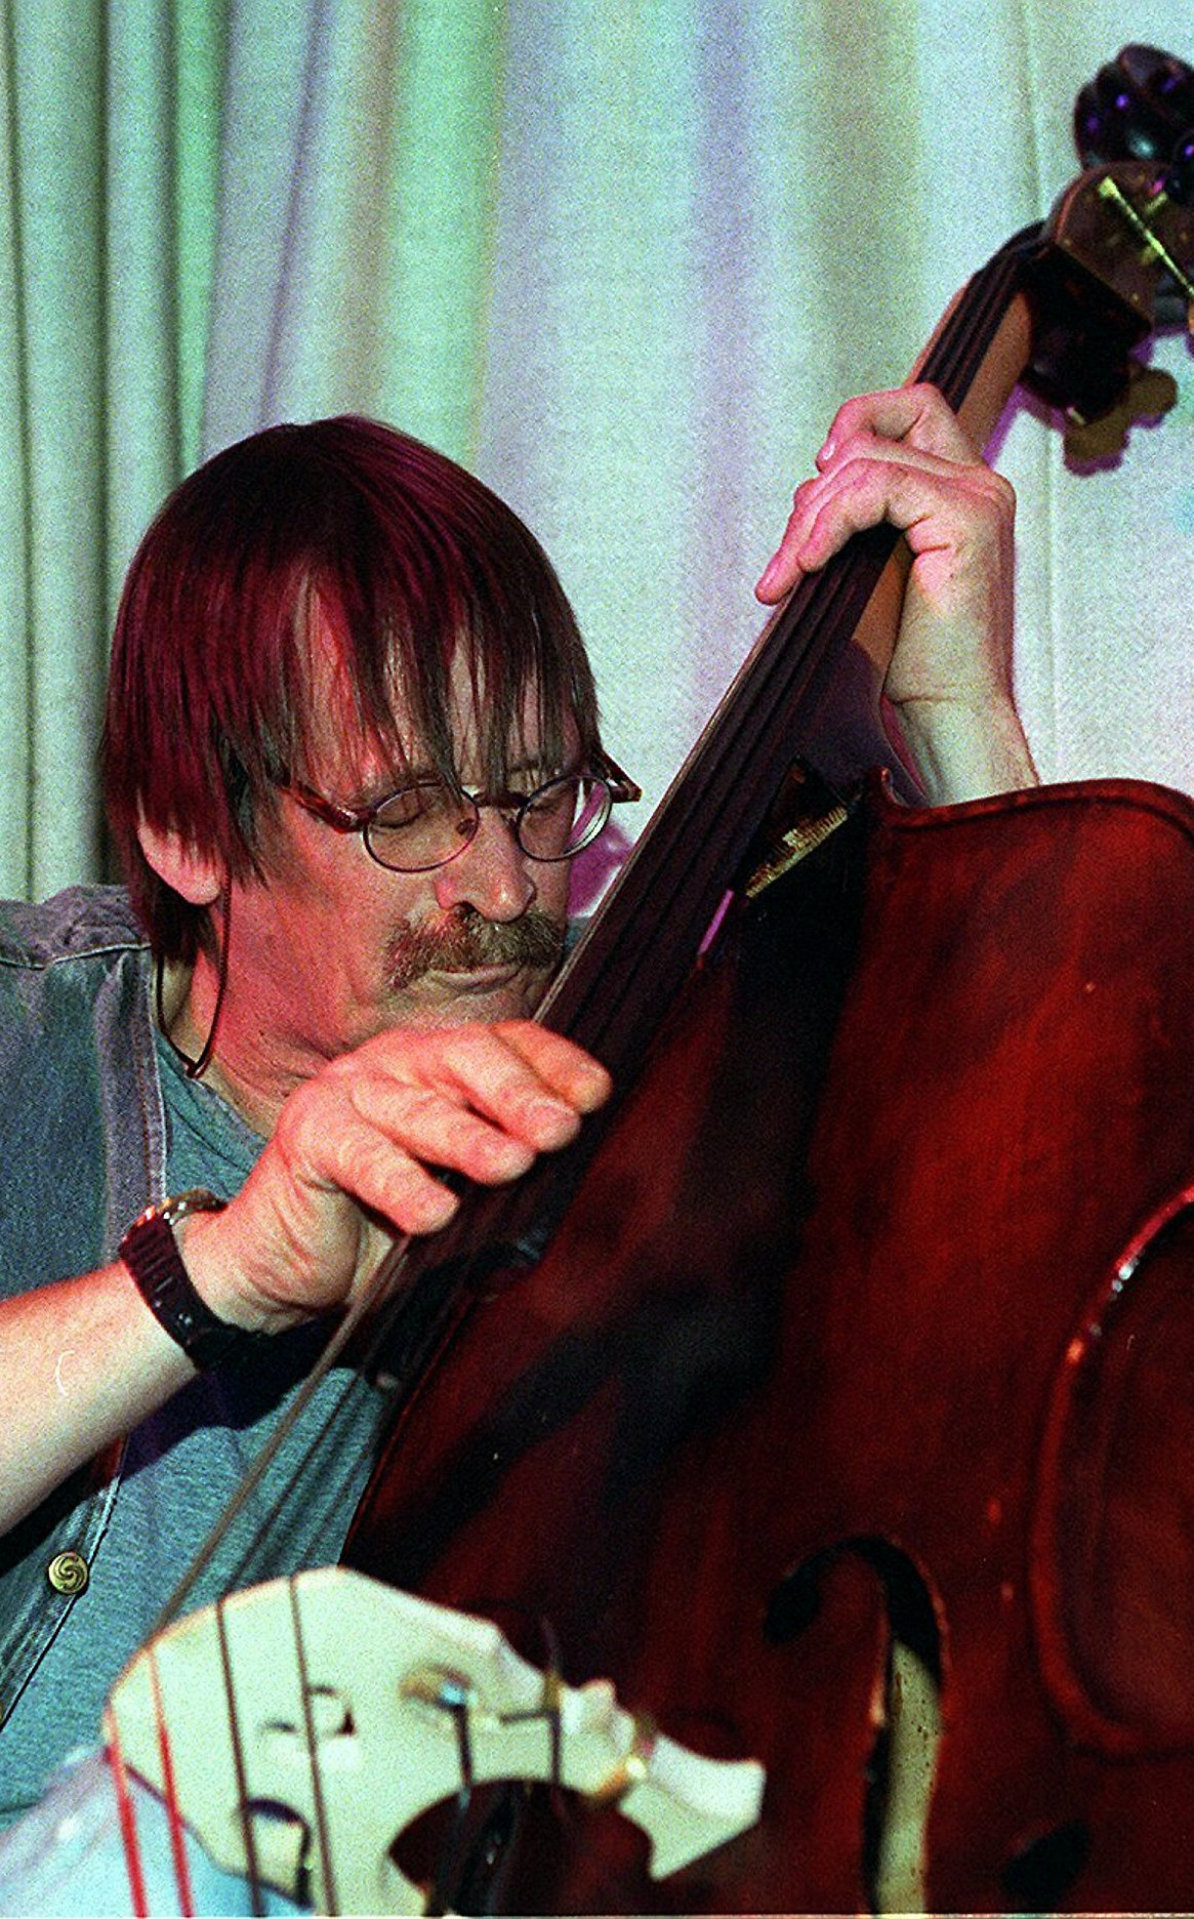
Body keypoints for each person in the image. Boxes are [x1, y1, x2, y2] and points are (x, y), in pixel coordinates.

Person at [0, 382, 1034, 1907]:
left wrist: (955, 715)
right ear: (184, 828)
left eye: (542, 792)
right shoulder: (30, 1037)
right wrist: (210, 1276)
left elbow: (1053, 1191)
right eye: (408, 811)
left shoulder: (668, 1055)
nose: (498, 886)